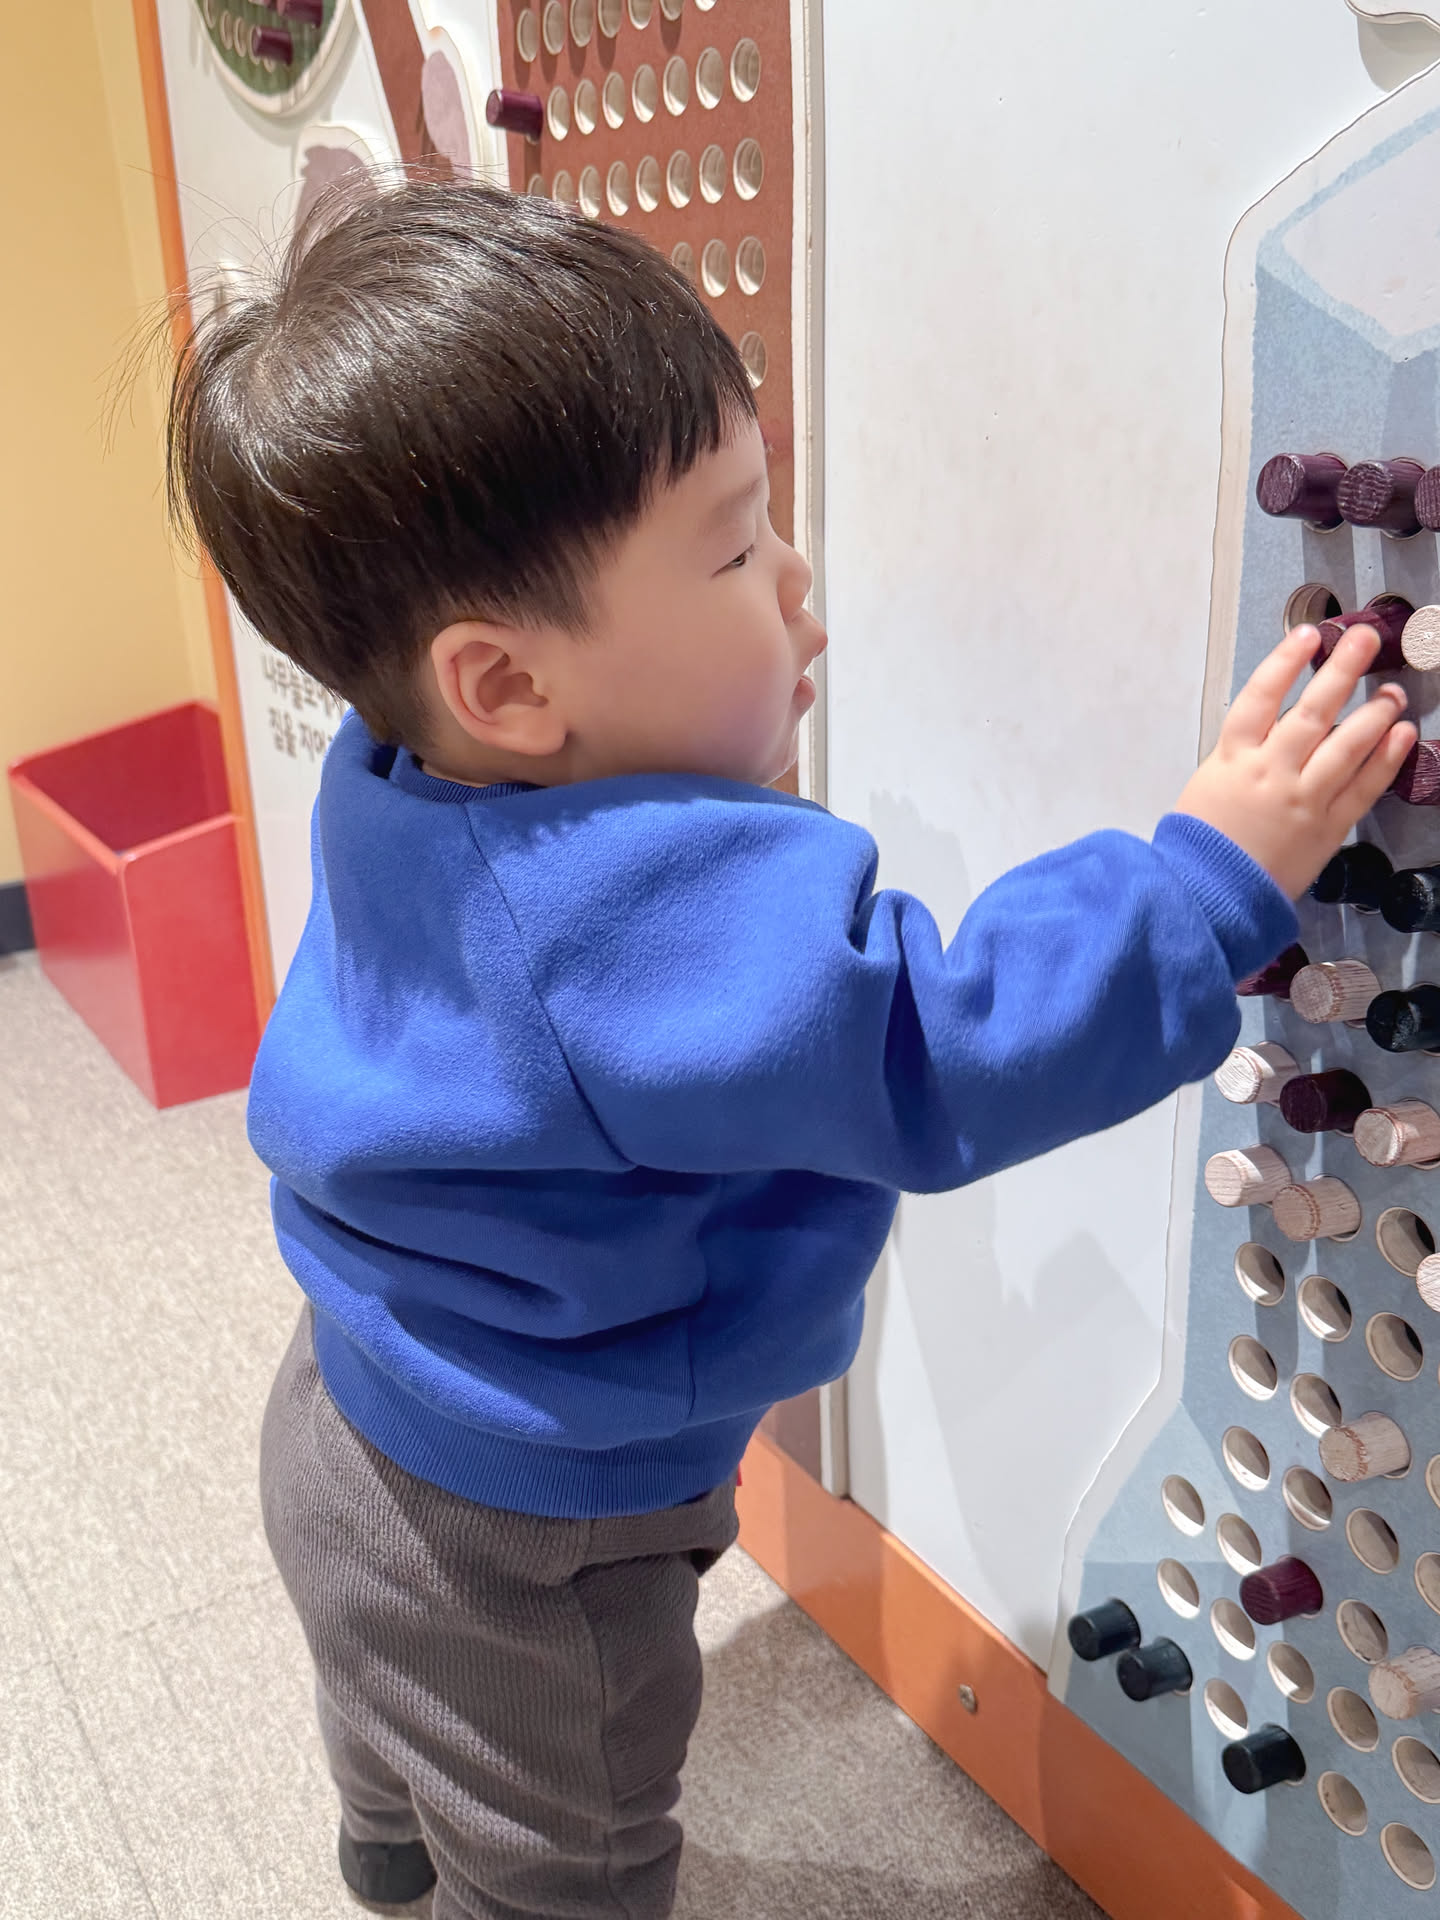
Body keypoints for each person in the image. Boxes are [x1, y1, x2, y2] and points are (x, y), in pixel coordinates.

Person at [165, 178, 1414, 1920]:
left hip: (355, 1416)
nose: (798, 576)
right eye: (737, 549)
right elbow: (940, 1045)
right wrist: (1206, 878)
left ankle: (386, 1855)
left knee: (398, 1720)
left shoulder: (404, 776)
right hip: (529, 1543)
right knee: (569, 1862)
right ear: (508, 687)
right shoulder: (627, 918)